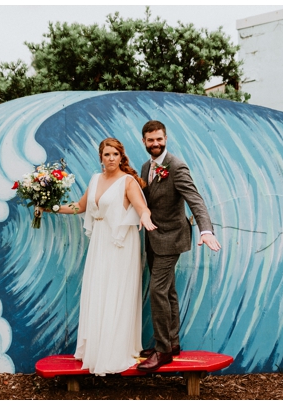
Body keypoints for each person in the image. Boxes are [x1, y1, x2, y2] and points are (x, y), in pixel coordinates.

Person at [51, 138, 157, 375]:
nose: (111, 158)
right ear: (101, 157)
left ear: (121, 157)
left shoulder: (128, 181)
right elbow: (80, 206)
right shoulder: (95, 180)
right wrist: (53, 207)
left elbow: (141, 207)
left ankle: (114, 351)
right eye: (106, 154)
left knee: (116, 292)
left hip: (120, 244)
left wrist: (145, 217)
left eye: (115, 154)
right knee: (98, 291)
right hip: (100, 242)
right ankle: (97, 349)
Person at [134, 120, 221, 372]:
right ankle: (172, 343)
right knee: (168, 291)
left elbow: (195, 199)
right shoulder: (145, 167)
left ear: (166, 138)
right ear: (144, 141)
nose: (155, 144)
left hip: (172, 238)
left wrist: (206, 229)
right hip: (153, 237)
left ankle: (162, 352)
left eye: (159, 139)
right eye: (151, 140)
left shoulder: (176, 166)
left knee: (157, 291)